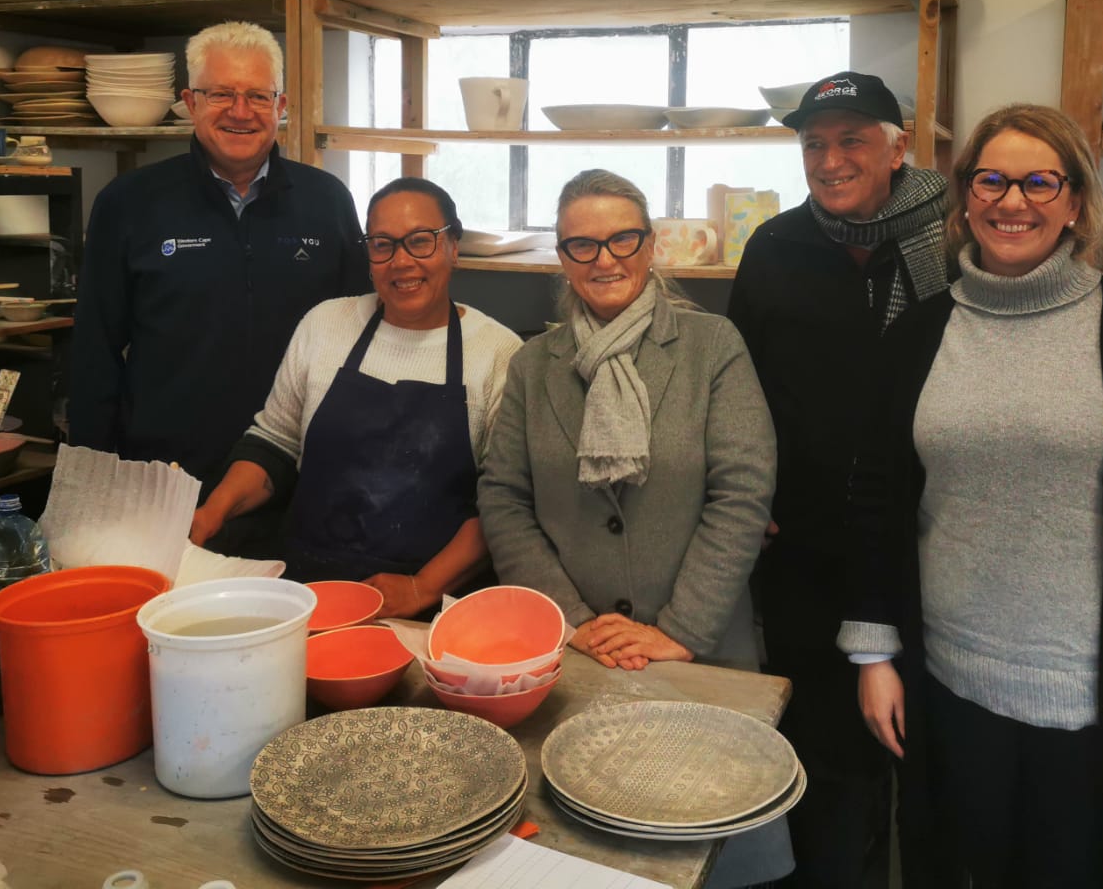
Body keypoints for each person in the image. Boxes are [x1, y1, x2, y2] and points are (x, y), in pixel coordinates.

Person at [842, 104, 1103, 887]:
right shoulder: (920, 337)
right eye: (990, 179)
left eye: (1037, 182)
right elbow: (880, 504)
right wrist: (875, 651)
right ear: (965, 199)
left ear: (1076, 203)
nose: (1010, 201)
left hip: (1094, 704)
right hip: (949, 687)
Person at [726, 71, 949, 888]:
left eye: (852, 138)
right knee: (821, 749)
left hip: (927, 537)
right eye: (814, 143)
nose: (829, 159)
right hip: (805, 547)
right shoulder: (775, 246)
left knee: (921, 742)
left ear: (899, 147)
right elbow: (739, 389)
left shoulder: (956, 243)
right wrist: (755, 499)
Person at [69, 21, 369, 549]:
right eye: (220, 94)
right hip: (169, 485)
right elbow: (95, 352)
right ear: (189, 101)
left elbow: (361, 342)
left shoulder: (328, 202)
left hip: (301, 480)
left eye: (257, 95)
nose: (240, 110)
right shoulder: (129, 203)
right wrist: (96, 485)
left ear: (281, 105)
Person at [478, 169, 776, 672]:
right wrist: (570, 621)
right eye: (583, 246)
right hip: (575, 649)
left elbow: (743, 494)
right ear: (563, 256)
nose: (605, 260)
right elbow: (504, 498)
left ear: (650, 246)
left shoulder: (713, 346)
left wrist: (681, 630)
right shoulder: (532, 365)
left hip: (699, 652)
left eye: (623, 240)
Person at [190, 177, 521, 616]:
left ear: (453, 247)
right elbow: (275, 443)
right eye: (382, 244)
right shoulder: (325, 324)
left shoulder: (498, 353)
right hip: (309, 589)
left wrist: (421, 587)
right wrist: (211, 514)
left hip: (428, 607)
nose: (401, 262)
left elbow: (502, 504)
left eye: (421, 242)